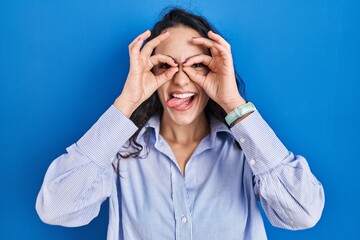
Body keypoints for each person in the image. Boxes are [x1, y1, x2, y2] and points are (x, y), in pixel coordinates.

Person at [36, 8, 325, 240]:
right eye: (166, 65)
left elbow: (303, 213)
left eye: (197, 64)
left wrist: (234, 104)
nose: (181, 79)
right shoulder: (121, 153)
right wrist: (127, 101)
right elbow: (56, 209)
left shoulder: (246, 152)